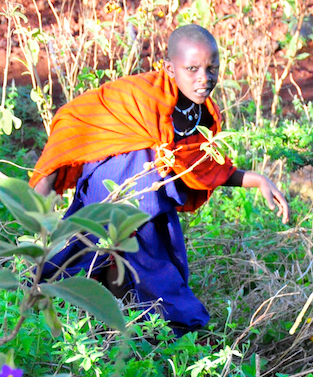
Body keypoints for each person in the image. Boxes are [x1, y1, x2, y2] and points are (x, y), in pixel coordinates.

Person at [29, 24, 290, 335]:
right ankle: (181, 331)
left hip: (146, 193)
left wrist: (257, 180)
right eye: (191, 69)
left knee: (114, 254)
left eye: (211, 68)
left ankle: (112, 321)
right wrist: (47, 181)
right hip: (117, 187)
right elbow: (77, 117)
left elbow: (198, 163)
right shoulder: (141, 95)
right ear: (169, 67)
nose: (203, 78)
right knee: (144, 258)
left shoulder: (197, 111)